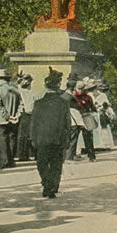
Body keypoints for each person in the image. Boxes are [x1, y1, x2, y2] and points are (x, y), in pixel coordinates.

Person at [31, 67, 71, 199]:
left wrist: (33, 138)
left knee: (42, 163)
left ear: (46, 86)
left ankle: (46, 184)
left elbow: (34, 123)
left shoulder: (38, 103)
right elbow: (67, 123)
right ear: (57, 86)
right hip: (58, 138)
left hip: (42, 139)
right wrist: (67, 138)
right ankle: (52, 187)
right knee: (56, 164)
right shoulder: (63, 103)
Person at [0, 69, 21, 168]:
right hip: (14, 119)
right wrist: (16, 115)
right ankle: (11, 160)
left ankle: (4, 161)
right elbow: (21, 104)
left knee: (2, 141)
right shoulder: (15, 90)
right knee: (11, 139)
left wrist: (7, 117)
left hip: (1, 120)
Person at [72, 79, 98, 161]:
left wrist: (92, 110)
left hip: (86, 117)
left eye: (81, 89)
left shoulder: (88, 97)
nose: (79, 91)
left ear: (84, 88)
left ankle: (91, 155)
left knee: (88, 137)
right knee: (74, 137)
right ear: (76, 88)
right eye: (78, 89)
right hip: (76, 119)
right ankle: (73, 155)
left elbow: (93, 107)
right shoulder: (73, 97)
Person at [15, 73, 36, 161]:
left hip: (29, 113)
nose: (27, 82)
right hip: (23, 113)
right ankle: (22, 155)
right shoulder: (19, 90)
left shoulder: (28, 91)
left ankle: (26, 154)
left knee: (27, 135)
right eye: (26, 80)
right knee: (22, 135)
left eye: (29, 80)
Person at [91, 80, 115, 149]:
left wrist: (110, 112)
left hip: (101, 114)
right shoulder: (89, 95)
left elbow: (107, 105)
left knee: (103, 128)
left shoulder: (102, 95)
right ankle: (95, 146)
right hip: (93, 114)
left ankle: (104, 145)